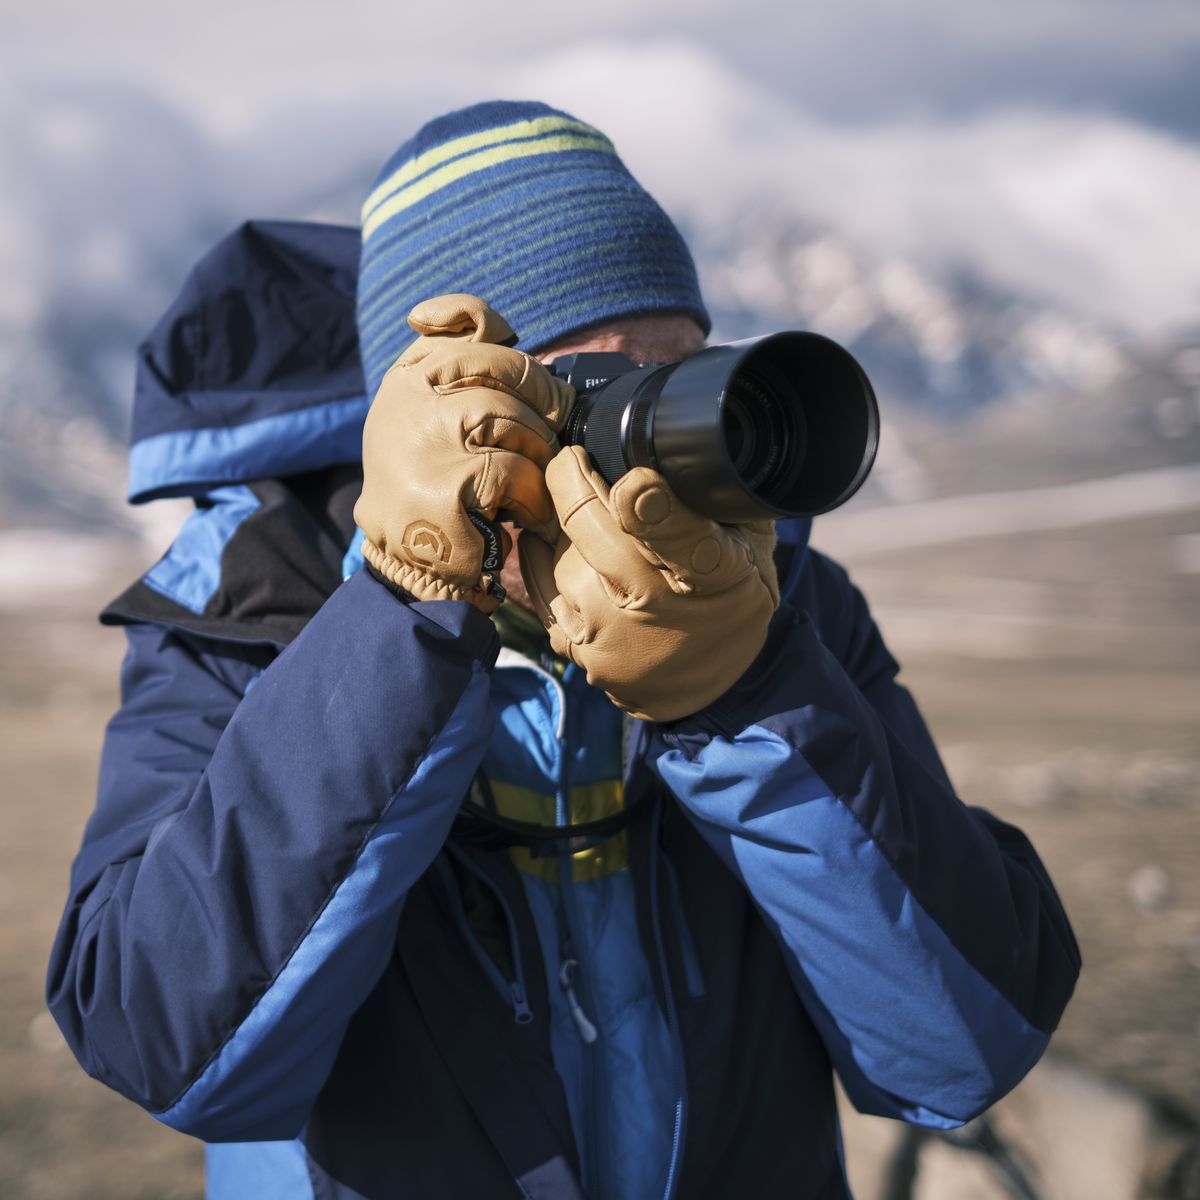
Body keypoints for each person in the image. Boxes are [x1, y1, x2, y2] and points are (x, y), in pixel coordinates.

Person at [47, 100, 1080, 1200]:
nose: (659, 464)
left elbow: (968, 1045)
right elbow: (166, 1047)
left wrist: (739, 691)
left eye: (680, 379)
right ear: (444, 420)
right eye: (592, 392)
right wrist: (408, 620)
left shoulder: (791, 615)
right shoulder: (250, 623)